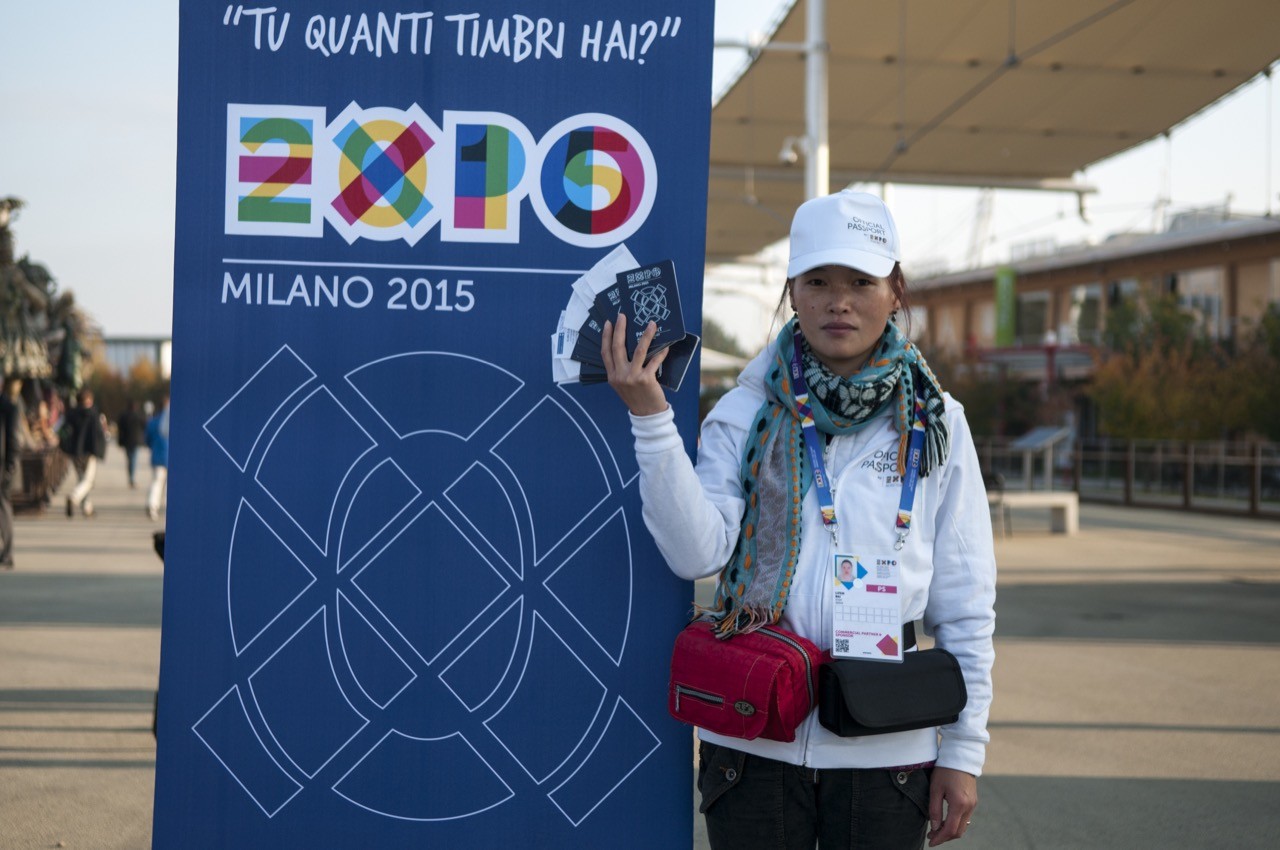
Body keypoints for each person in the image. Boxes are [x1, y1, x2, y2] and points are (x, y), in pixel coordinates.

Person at [602, 190, 996, 849]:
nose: (839, 301)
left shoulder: (937, 424)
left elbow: (966, 601)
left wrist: (962, 751)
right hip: (752, 744)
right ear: (792, 293)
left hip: (888, 753)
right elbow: (696, 554)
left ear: (895, 292)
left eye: (860, 282)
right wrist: (651, 419)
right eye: (818, 281)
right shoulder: (744, 412)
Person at [61, 388, 107, 518]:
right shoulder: (93, 414)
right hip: (89, 452)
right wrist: (99, 451)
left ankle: (87, 508)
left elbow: (64, 431)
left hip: (75, 452)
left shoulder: (71, 414)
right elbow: (98, 434)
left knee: (82, 479)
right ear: (89, 400)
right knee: (88, 481)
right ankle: (74, 497)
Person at [0, 383, 18, 568]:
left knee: (3, 506)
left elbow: (12, 438)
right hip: (4, 464)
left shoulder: (8, 407)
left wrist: (10, 465)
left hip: (3, 465)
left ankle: (7, 552)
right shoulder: (9, 406)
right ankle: (6, 552)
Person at [145, 395, 169, 522]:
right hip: (169, 457)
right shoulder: (174, 420)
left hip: (157, 455)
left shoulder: (153, 422)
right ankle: (166, 509)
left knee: (157, 482)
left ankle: (152, 505)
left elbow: (147, 439)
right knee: (168, 486)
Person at [117, 399, 146, 488]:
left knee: (130, 460)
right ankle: (132, 479)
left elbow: (120, 430)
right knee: (133, 460)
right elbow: (144, 427)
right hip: (136, 441)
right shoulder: (139, 416)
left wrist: (120, 442)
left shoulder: (123, 416)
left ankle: (131, 477)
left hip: (127, 441)